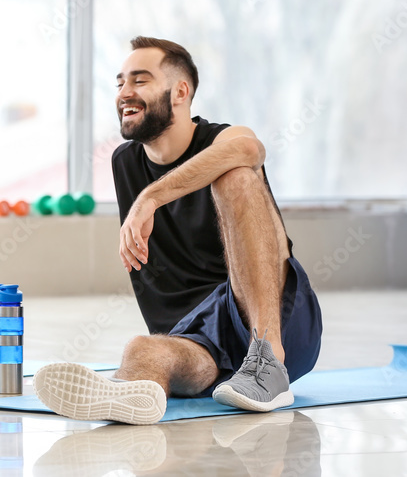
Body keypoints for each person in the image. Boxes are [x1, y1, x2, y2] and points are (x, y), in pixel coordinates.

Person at [33, 36, 322, 424]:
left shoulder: (224, 139)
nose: (124, 93)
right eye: (119, 83)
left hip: (275, 319)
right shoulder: (125, 162)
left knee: (233, 176)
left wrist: (150, 197)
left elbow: (249, 151)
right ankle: (133, 396)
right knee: (143, 351)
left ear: (180, 91)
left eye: (139, 80)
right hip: (199, 337)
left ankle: (269, 362)